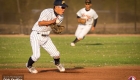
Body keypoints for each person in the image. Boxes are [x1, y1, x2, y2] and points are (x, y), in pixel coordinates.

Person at [26, 0, 68, 73]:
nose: (64, 9)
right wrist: (52, 22)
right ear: (56, 7)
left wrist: (55, 27)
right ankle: (29, 66)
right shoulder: (47, 12)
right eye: (62, 7)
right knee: (36, 56)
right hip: (36, 35)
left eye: (65, 7)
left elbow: (53, 26)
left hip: (46, 37)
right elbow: (40, 23)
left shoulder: (61, 17)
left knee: (56, 54)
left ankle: (57, 63)